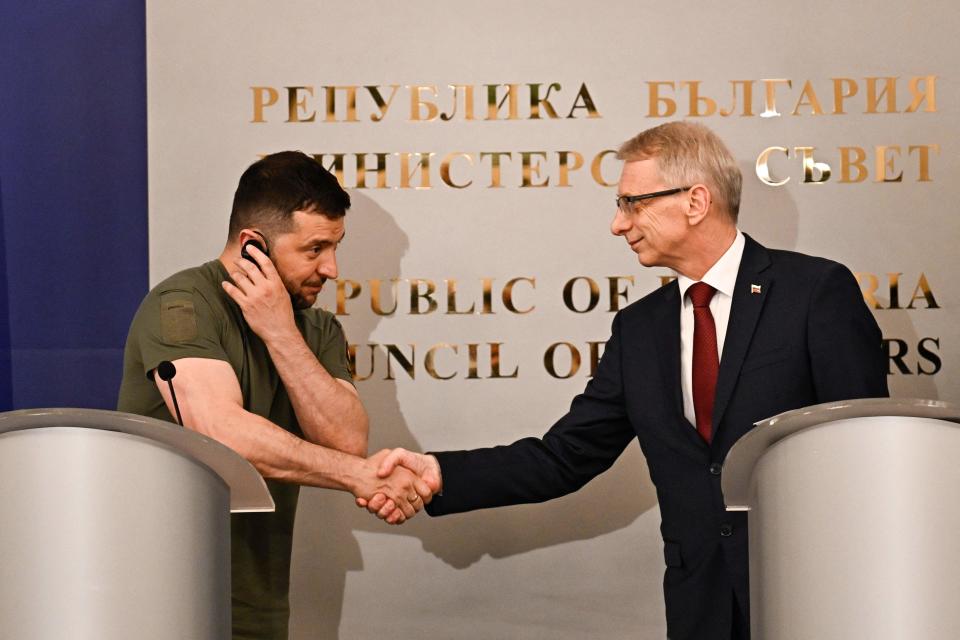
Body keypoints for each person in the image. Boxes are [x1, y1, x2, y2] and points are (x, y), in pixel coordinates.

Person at [364, 122, 889, 639]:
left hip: (811, 594)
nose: (619, 224)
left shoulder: (814, 292)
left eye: (631, 203)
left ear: (695, 201)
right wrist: (437, 474)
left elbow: (862, 454)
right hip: (699, 606)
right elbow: (564, 457)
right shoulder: (639, 328)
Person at [117, 151, 434, 640]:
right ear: (253, 248)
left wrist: (281, 333)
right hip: (162, 602)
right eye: (314, 249)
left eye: (335, 247)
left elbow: (346, 441)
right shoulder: (180, 305)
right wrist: (359, 478)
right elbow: (221, 435)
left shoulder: (316, 328)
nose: (331, 268)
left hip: (257, 603)